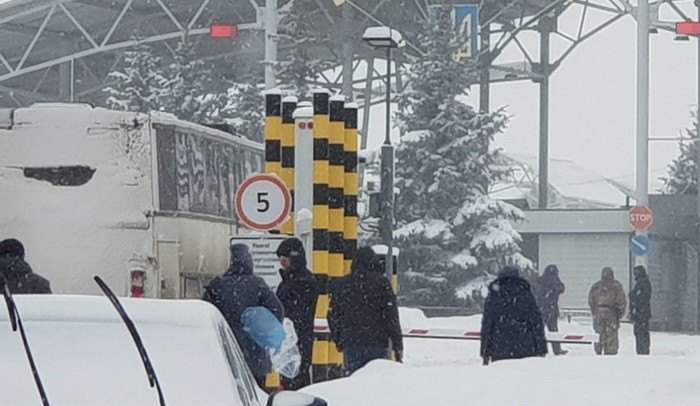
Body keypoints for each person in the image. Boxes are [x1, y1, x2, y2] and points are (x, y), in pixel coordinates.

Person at [202, 244, 284, 388]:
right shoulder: (258, 285)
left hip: (225, 349)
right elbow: (277, 309)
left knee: (228, 388)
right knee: (256, 391)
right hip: (254, 353)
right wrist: (262, 329)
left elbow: (204, 314)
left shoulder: (217, 286)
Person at [329, 247, 403, 374]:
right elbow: (391, 317)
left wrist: (339, 340)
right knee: (375, 380)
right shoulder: (382, 284)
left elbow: (333, 315)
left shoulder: (342, 284)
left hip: (352, 342)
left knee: (354, 380)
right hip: (377, 342)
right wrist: (398, 345)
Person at [274, 237, 318, 390]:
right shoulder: (289, 280)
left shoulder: (302, 282)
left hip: (298, 339)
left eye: (284, 258)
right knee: (290, 377)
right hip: (290, 340)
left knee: (296, 378)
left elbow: (296, 312)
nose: (281, 262)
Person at [480, 266, 547, 365]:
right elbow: (536, 321)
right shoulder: (525, 293)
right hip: (525, 346)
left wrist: (485, 352)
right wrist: (541, 348)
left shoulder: (495, 295)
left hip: (500, 346)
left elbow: (488, 324)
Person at [588, 267, 627, 355]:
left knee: (599, 333)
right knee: (611, 334)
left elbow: (591, 300)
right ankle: (610, 352)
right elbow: (621, 300)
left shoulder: (596, 286)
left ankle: (598, 349)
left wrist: (594, 311)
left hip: (598, 312)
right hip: (611, 312)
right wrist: (620, 313)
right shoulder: (616, 285)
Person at [534, 264, 567, 355]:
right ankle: (557, 349)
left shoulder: (540, 280)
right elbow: (561, 289)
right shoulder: (555, 280)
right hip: (551, 309)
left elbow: (535, 291)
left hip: (541, 309)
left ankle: (539, 349)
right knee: (553, 330)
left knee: (540, 330)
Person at [629, 265, 652, 355]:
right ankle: (642, 350)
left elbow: (640, 297)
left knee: (641, 334)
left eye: (636, 273)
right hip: (642, 313)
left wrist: (633, 298)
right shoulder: (643, 282)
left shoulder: (643, 283)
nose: (634, 275)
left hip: (641, 313)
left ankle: (642, 350)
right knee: (641, 333)